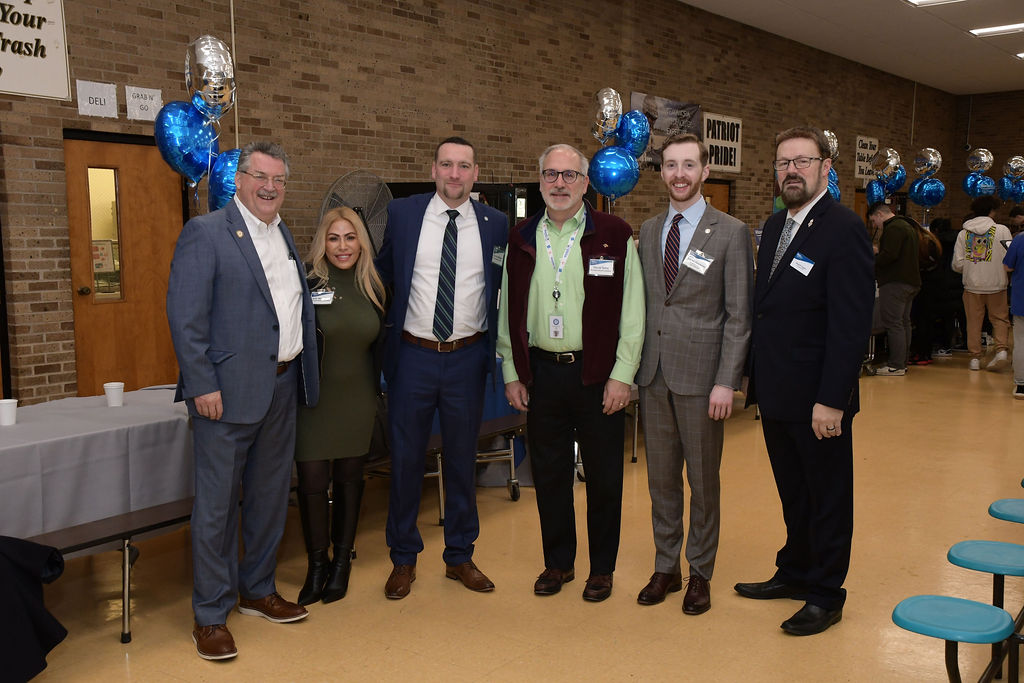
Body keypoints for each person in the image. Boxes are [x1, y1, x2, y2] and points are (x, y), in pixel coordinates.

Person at [166, 141, 319, 660]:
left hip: (281, 387)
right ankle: (210, 614)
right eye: (260, 177)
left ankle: (256, 590)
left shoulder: (284, 235)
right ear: (239, 179)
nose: (270, 187)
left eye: (278, 179)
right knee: (215, 509)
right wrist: (201, 383)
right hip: (224, 396)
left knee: (270, 498)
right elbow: (186, 317)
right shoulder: (206, 233)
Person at [737, 126, 874, 636]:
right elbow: (767, 310)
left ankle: (825, 593)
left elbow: (850, 322)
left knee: (827, 497)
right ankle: (795, 572)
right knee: (794, 492)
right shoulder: (774, 227)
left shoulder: (843, 228)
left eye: (802, 161)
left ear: (825, 168)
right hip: (776, 394)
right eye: (783, 163)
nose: (791, 170)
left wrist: (832, 399)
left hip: (820, 399)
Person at [497, 143, 645, 603]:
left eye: (569, 175)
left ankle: (602, 569)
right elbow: (508, 310)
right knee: (549, 473)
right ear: (539, 180)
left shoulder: (615, 234)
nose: (559, 184)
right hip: (542, 373)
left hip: (598, 375)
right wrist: (511, 370)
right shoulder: (520, 237)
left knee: (604, 477)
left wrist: (623, 375)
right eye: (550, 175)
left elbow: (634, 312)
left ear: (586, 182)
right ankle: (557, 563)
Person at [374, 137, 509, 600]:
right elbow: (381, 276)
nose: (455, 174)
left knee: (460, 459)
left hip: (468, 358)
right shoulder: (404, 214)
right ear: (433, 169)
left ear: (475, 173)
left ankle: (459, 556)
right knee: (407, 461)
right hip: (412, 355)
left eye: (464, 166)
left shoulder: (496, 225)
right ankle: (403, 559)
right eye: (447, 165)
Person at [634, 133, 752, 614]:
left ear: (705, 171)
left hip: (704, 380)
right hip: (653, 376)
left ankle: (700, 570)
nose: (679, 174)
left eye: (688, 165)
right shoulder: (647, 230)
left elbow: (739, 315)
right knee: (661, 480)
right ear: (661, 172)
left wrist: (727, 380)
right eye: (670, 166)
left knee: (703, 482)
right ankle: (667, 565)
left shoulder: (730, 231)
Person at [294, 206, 386, 605]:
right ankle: (317, 565)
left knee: (350, 482)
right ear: (322, 243)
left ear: (361, 242)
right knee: (313, 484)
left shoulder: (375, 286)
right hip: (314, 402)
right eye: (334, 238)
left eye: (350, 238)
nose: (342, 246)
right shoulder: (307, 283)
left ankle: (342, 564)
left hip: (357, 400)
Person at [952, 195, 1012, 371]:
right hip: (997, 283)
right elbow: (1011, 256)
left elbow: (957, 263)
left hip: (972, 285)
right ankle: (1001, 351)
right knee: (1000, 319)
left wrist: (972, 267)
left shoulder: (964, 233)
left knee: (973, 321)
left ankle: (975, 359)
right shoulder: (1002, 230)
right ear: (992, 211)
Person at [866, 202, 919, 376]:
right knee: (904, 323)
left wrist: (872, 261)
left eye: (874, 221)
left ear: (880, 214)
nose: (875, 225)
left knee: (893, 323)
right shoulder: (906, 225)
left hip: (895, 282)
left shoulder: (893, 228)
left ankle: (896, 364)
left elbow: (890, 256)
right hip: (910, 281)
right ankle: (902, 362)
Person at [908, 218, 943, 365]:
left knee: (920, 320)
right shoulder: (930, 240)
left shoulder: (921, 242)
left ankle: (921, 353)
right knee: (926, 320)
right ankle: (924, 353)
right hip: (933, 284)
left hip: (924, 284)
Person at [1003, 231, 1024, 398]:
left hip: (1022, 297)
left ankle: (1021, 384)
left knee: (1021, 341)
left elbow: (1008, 266)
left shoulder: (1020, 239)